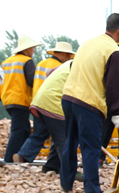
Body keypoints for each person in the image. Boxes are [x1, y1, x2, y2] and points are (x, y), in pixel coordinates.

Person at [61, 13, 119, 193]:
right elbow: (115, 84)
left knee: (71, 140)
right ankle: (92, 191)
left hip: (69, 96)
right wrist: (116, 111)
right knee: (91, 147)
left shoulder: (88, 43)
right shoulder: (114, 51)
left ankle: (66, 183)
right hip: (88, 102)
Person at [15, 41, 76, 170]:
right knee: (59, 135)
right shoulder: (61, 65)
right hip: (52, 103)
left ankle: (45, 163)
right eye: (69, 56)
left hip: (38, 101)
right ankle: (60, 167)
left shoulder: (42, 63)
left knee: (40, 134)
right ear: (65, 54)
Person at [24, 59, 73, 176]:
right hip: (53, 102)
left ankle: (52, 166)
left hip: (41, 99)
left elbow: (49, 73)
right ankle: (69, 172)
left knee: (57, 136)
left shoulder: (68, 63)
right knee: (65, 138)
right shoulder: (81, 66)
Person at [1, 35, 40, 162]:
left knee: (24, 129)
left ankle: (22, 156)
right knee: (18, 130)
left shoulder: (6, 62)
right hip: (20, 99)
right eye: (32, 48)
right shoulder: (26, 61)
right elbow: (31, 81)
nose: (33, 51)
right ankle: (9, 159)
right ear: (26, 49)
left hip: (8, 100)